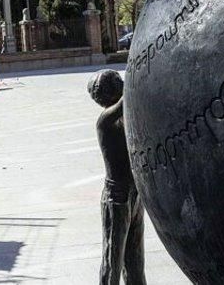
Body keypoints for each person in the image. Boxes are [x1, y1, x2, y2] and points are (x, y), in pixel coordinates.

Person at [88, 69, 144, 285]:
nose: (122, 83)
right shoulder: (105, 120)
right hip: (116, 198)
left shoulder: (125, 118)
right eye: (116, 81)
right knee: (113, 260)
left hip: (134, 194)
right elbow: (128, 97)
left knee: (135, 260)